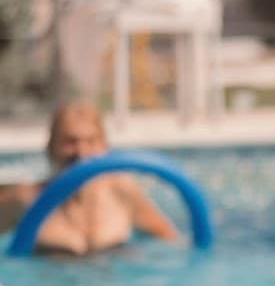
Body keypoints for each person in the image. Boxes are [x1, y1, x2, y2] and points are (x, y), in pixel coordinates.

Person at [0, 101, 179, 256]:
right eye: (70, 142)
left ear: (105, 147)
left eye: (91, 141)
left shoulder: (122, 191)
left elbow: (171, 241)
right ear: (51, 147)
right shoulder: (26, 199)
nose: (82, 152)